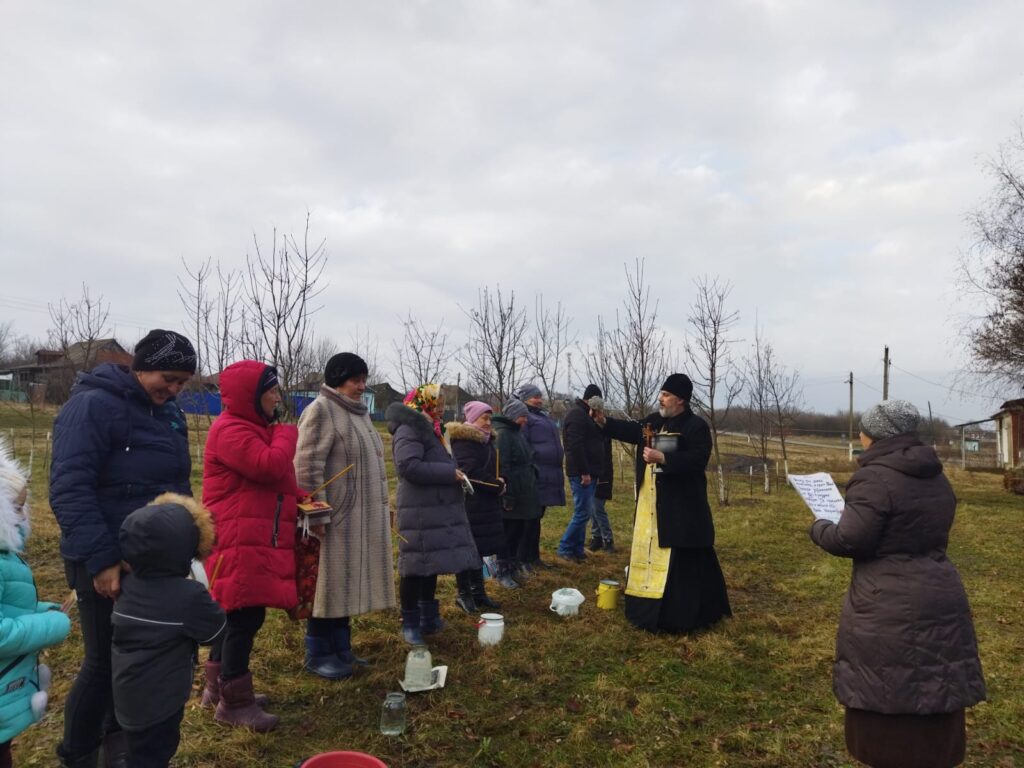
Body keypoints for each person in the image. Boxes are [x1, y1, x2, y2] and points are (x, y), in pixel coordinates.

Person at [810, 400, 986, 768]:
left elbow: (850, 540)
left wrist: (820, 527)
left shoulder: (875, 477)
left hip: (886, 600)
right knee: (935, 675)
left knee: (888, 683)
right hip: (939, 588)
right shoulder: (934, 474)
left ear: (873, 435)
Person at [50, 328, 196, 768]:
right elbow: (69, 488)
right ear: (142, 365)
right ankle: (77, 755)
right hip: (105, 560)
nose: (172, 390)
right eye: (167, 378)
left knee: (134, 664)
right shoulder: (92, 406)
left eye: (181, 384)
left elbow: (177, 485)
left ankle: (119, 745)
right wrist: (102, 559)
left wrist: (188, 541)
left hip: (153, 564)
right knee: (102, 663)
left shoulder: (169, 415)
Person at [202, 360, 306, 731]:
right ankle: (235, 702)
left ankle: (217, 687)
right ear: (252, 395)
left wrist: (301, 498)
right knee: (244, 616)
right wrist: (285, 435)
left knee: (235, 614)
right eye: (272, 390)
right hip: (237, 539)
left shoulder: (250, 428)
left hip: (252, 535)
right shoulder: (231, 430)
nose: (278, 397)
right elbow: (267, 466)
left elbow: (275, 481)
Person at [595, 373, 731, 634]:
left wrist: (664, 458)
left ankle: (677, 617)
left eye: (666, 395)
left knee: (681, 561)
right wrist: (605, 423)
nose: (661, 398)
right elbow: (633, 431)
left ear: (680, 400)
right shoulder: (654, 422)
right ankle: (645, 610)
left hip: (682, 510)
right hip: (651, 506)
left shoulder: (695, 426)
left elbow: (697, 460)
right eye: (662, 393)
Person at [294, 352, 395, 678]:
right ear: (338, 378)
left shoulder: (360, 413)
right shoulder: (321, 411)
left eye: (364, 380)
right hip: (333, 521)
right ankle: (318, 652)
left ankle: (342, 649)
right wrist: (317, 516)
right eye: (356, 380)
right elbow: (307, 468)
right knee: (327, 586)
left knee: (346, 583)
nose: (361, 386)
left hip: (359, 520)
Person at [111, 494, 225, 768]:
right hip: (162, 701)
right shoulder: (188, 595)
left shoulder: (126, 586)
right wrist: (208, 601)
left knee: (139, 752)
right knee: (156, 752)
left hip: (126, 693)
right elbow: (216, 632)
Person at [386, 384, 479, 645]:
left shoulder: (432, 429)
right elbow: (408, 466)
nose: (441, 408)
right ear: (423, 402)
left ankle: (428, 616)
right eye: (436, 402)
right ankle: (410, 623)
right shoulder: (410, 428)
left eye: (442, 403)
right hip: (418, 509)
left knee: (431, 564)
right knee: (414, 566)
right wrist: (448, 474)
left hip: (434, 507)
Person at [0, 439, 72, 768]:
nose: (22, 517)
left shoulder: (7, 556)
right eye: (14, 509)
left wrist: (39, 611)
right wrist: (51, 626)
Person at [447, 401, 506, 613]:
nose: (489, 422)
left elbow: (491, 467)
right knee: (467, 549)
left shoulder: (486, 440)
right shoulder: (464, 441)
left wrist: (501, 479)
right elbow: (469, 473)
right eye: (485, 418)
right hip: (470, 502)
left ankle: (478, 593)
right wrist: (495, 485)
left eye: (490, 418)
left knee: (479, 549)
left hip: (486, 502)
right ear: (473, 418)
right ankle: (464, 595)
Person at [513, 384, 564, 571]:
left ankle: (534, 557)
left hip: (547, 474)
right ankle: (522, 559)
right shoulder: (525, 417)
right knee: (528, 520)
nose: (539, 399)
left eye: (539, 396)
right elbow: (523, 444)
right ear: (524, 398)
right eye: (534, 396)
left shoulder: (542, 415)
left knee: (536, 518)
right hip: (535, 474)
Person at [491, 398, 540, 588]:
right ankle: (502, 570)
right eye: (522, 416)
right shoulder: (503, 435)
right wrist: (508, 496)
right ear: (512, 416)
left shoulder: (516, 433)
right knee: (508, 534)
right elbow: (503, 467)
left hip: (524, 492)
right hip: (513, 494)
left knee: (519, 531)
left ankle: (512, 567)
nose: (525, 420)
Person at [558, 384, 607, 563]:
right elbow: (575, 446)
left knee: (584, 513)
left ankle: (577, 550)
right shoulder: (577, 415)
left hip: (590, 472)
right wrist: (584, 472)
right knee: (582, 513)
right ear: (592, 399)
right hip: (581, 473)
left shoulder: (586, 415)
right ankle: (565, 548)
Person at [586, 394, 616, 553]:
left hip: (603, 473)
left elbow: (601, 453)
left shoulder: (603, 427)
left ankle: (608, 539)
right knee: (593, 508)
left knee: (597, 508)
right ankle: (596, 537)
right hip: (594, 472)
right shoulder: (590, 426)